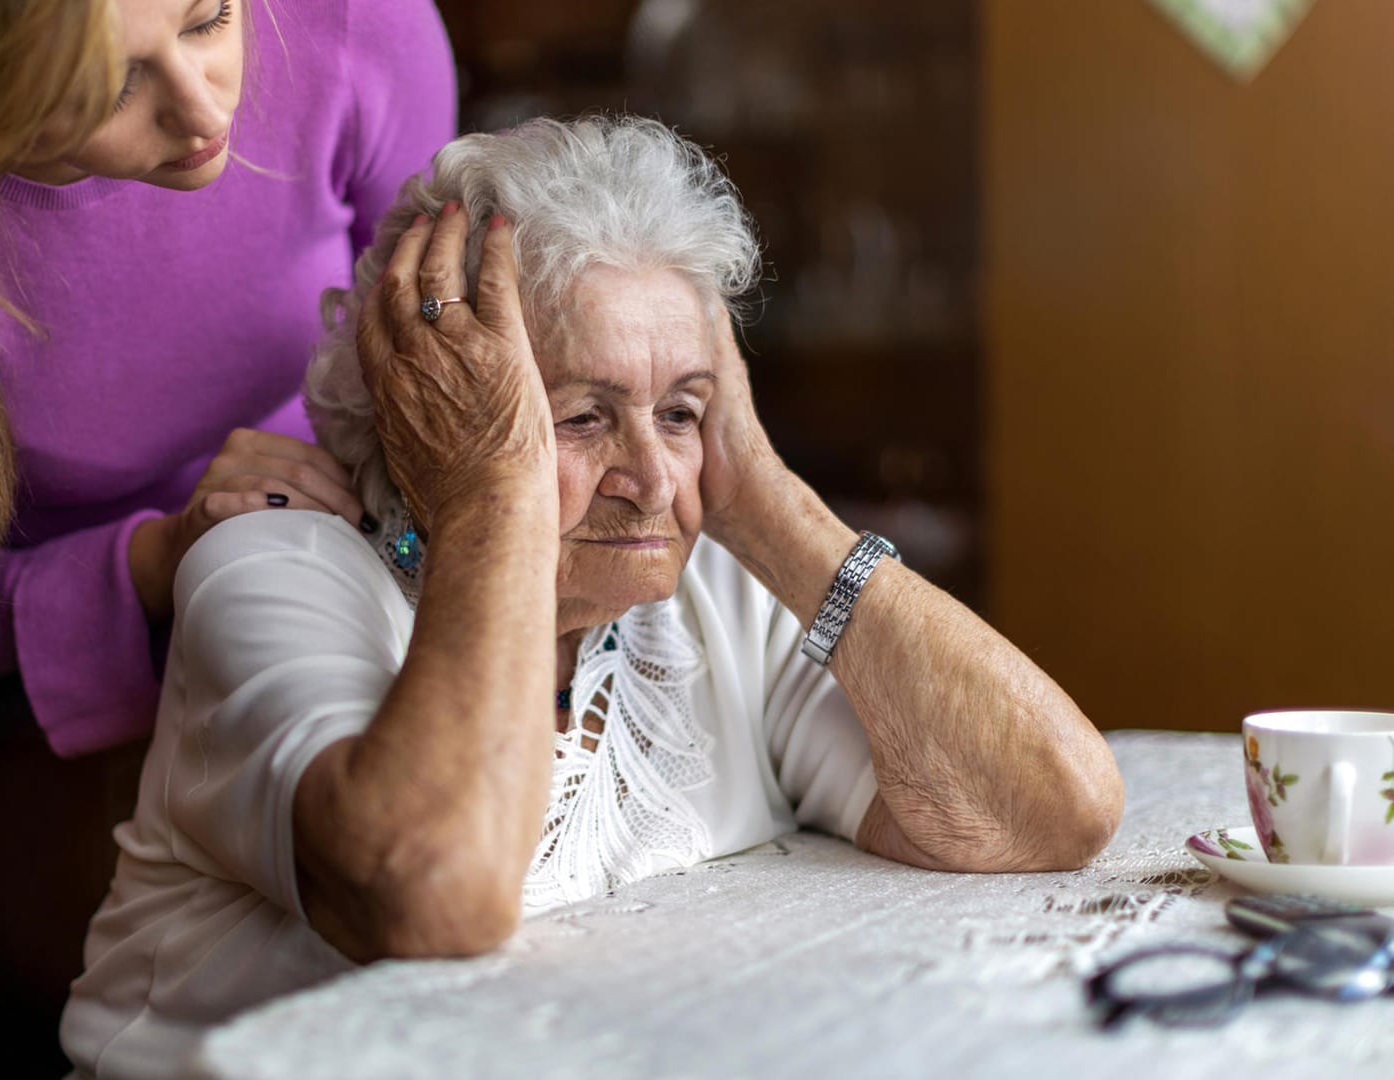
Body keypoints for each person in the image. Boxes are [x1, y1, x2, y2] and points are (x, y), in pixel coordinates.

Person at [59, 115, 1124, 1079]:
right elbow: (433, 892)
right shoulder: (280, 568)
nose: (654, 480)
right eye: (580, 418)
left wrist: (768, 503)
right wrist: (490, 489)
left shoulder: (708, 589)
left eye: (680, 411)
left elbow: (1052, 809)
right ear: (430, 412)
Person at [0, 0, 452, 1074]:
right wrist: (160, 556)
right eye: (107, 89)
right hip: (2, 725)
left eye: (207, 20)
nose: (202, 109)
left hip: (320, 629)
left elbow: (431, 366)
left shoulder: (354, 24)